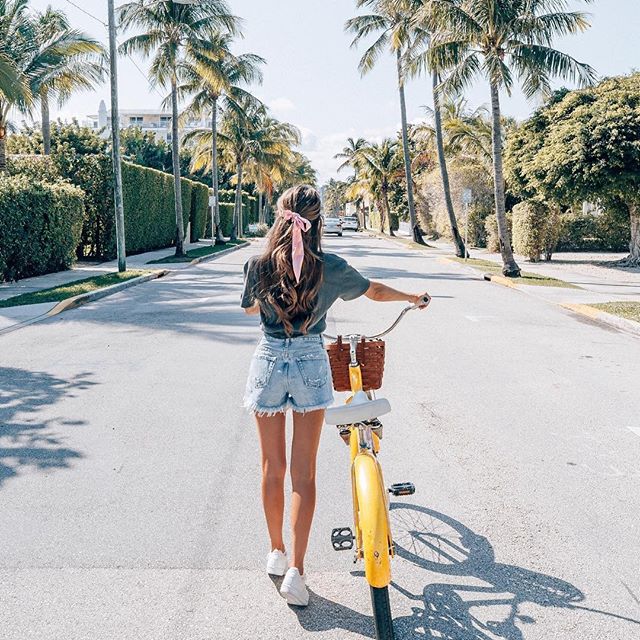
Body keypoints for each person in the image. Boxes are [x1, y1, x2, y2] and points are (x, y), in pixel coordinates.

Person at [241, 184, 429, 606]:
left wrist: (274, 299)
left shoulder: (257, 264)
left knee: (272, 468)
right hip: (311, 359)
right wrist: (411, 297)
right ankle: (296, 572)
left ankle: (275, 552)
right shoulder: (330, 267)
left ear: (280, 218)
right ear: (318, 223)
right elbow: (373, 290)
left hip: (268, 359)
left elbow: (251, 309)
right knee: (303, 474)